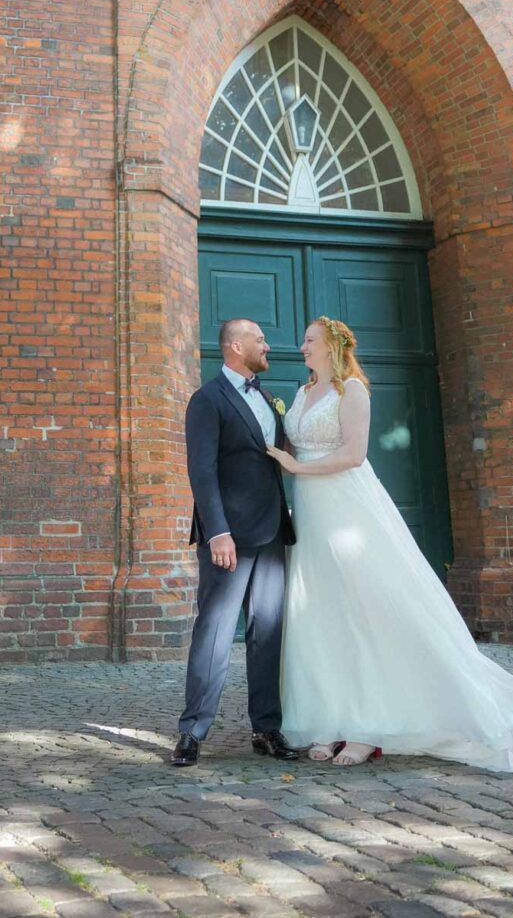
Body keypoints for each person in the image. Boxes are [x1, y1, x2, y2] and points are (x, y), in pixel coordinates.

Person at [266, 316, 513, 773]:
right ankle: (328, 716)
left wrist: (297, 468)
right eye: (304, 341)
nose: (302, 347)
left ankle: (367, 728)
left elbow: (353, 454)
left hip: (347, 506)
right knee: (320, 610)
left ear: (332, 346)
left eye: (309, 340)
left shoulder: (352, 390)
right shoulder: (302, 393)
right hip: (311, 514)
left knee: (365, 608)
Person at [172, 318, 298, 767]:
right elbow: (202, 470)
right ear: (237, 346)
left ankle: (266, 729)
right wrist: (217, 531)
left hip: (271, 533)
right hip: (228, 538)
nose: (268, 346)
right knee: (215, 632)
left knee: (268, 633)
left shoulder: (266, 396)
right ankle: (192, 731)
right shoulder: (207, 400)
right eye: (260, 340)